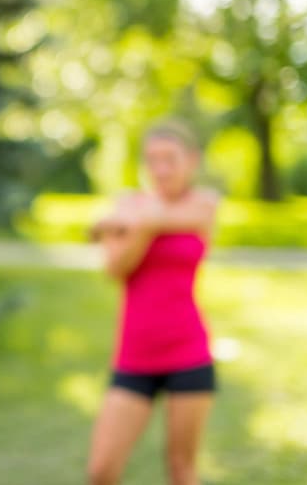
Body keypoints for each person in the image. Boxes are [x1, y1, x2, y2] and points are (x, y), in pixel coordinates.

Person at [87, 121, 220, 485]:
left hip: (189, 351)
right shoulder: (128, 204)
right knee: (101, 470)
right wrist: (144, 225)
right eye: (152, 160)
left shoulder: (203, 203)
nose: (161, 169)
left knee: (181, 468)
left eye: (170, 159)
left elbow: (193, 218)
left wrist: (131, 223)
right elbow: (115, 268)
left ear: (191, 160)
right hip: (134, 354)